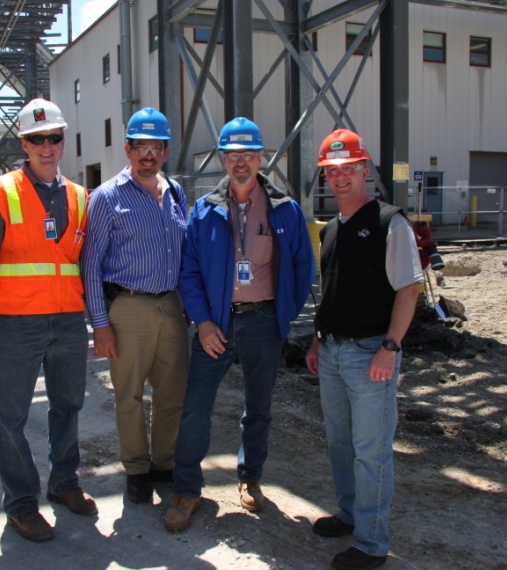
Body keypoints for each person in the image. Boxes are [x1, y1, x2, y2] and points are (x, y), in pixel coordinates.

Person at [164, 117, 316, 532]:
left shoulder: (285, 210)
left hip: (265, 323)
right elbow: (188, 271)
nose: (241, 163)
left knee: (259, 408)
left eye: (249, 154)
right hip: (217, 325)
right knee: (195, 406)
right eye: (233, 155)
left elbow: (304, 268)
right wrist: (204, 321)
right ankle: (187, 489)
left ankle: (250, 478)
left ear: (261, 158)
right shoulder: (204, 210)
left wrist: (283, 315)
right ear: (223, 159)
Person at [0, 98, 96, 543]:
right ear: (23, 144)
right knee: (11, 416)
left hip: (67, 321)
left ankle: (64, 483)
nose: (47, 146)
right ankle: (22, 504)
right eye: (37, 139)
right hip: (18, 324)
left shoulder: (81, 197)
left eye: (54, 138)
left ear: (63, 142)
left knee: (68, 407)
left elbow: (86, 264)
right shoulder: (0, 193)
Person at [305, 129, 423, 570]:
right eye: (331, 171)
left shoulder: (390, 223)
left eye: (348, 169)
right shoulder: (332, 229)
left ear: (363, 169)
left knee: (371, 450)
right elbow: (332, 292)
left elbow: (408, 291)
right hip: (333, 352)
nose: (339, 178)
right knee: (340, 442)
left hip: (371, 353)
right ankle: (350, 514)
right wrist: (318, 340)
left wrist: (390, 348)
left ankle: (372, 544)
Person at [82, 108, 189, 504]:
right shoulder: (107, 197)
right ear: (127, 149)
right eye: (140, 146)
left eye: (155, 147)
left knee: (171, 393)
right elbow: (90, 264)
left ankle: (164, 462)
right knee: (128, 395)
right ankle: (137, 469)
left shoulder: (176, 193)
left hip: (171, 305)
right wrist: (100, 325)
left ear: (165, 151)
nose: (148, 155)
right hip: (127, 309)